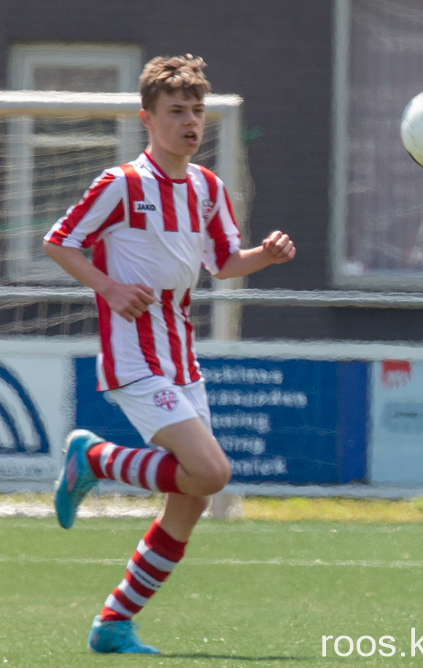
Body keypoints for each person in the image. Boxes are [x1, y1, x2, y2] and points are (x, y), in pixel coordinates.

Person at [44, 55, 296, 654]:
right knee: (212, 472)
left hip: (182, 360)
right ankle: (95, 458)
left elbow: (224, 263)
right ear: (147, 119)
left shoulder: (208, 189)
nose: (190, 122)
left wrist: (265, 255)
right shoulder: (122, 185)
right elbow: (59, 242)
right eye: (177, 111)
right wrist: (109, 287)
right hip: (134, 359)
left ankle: (114, 623)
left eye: (197, 111)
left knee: (193, 498)